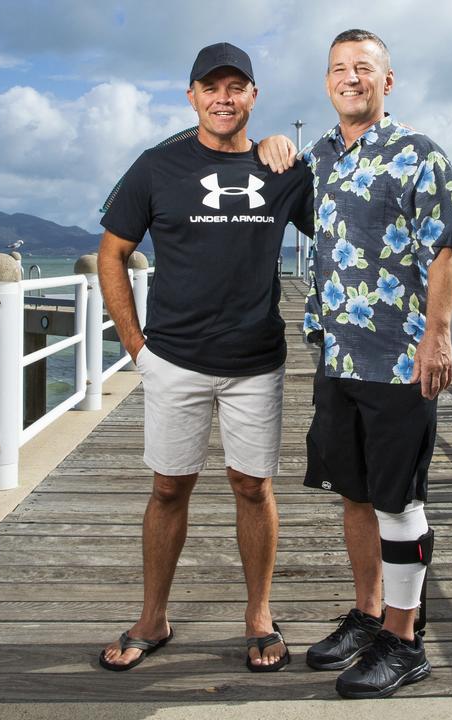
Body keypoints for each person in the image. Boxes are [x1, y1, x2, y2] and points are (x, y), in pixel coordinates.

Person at [96, 42, 313, 673]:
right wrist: (135, 345)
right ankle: (152, 617)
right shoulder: (156, 167)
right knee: (168, 489)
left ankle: (258, 616)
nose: (224, 98)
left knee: (253, 487)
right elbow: (113, 253)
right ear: (191, 96)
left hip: (255, 360)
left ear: (253, 95)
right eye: (211, 87)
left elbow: (340, 215)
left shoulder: (282, 169)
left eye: (236, 87)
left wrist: (285, 147)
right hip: (175, 358)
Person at [259, 28, 452, 699]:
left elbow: (444, 255)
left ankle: (405, 642)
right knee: (353, 493)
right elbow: (263, 193)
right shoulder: (317, 157)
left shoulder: (419, 156)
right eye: (340, 69)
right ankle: (371, 613)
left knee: (398, 500)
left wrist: (437, 337)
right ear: (326, 82)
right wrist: (268, 146)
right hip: (336, 353)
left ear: (387, 81)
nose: (352, 77)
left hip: (401, 357)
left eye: (364, 68)